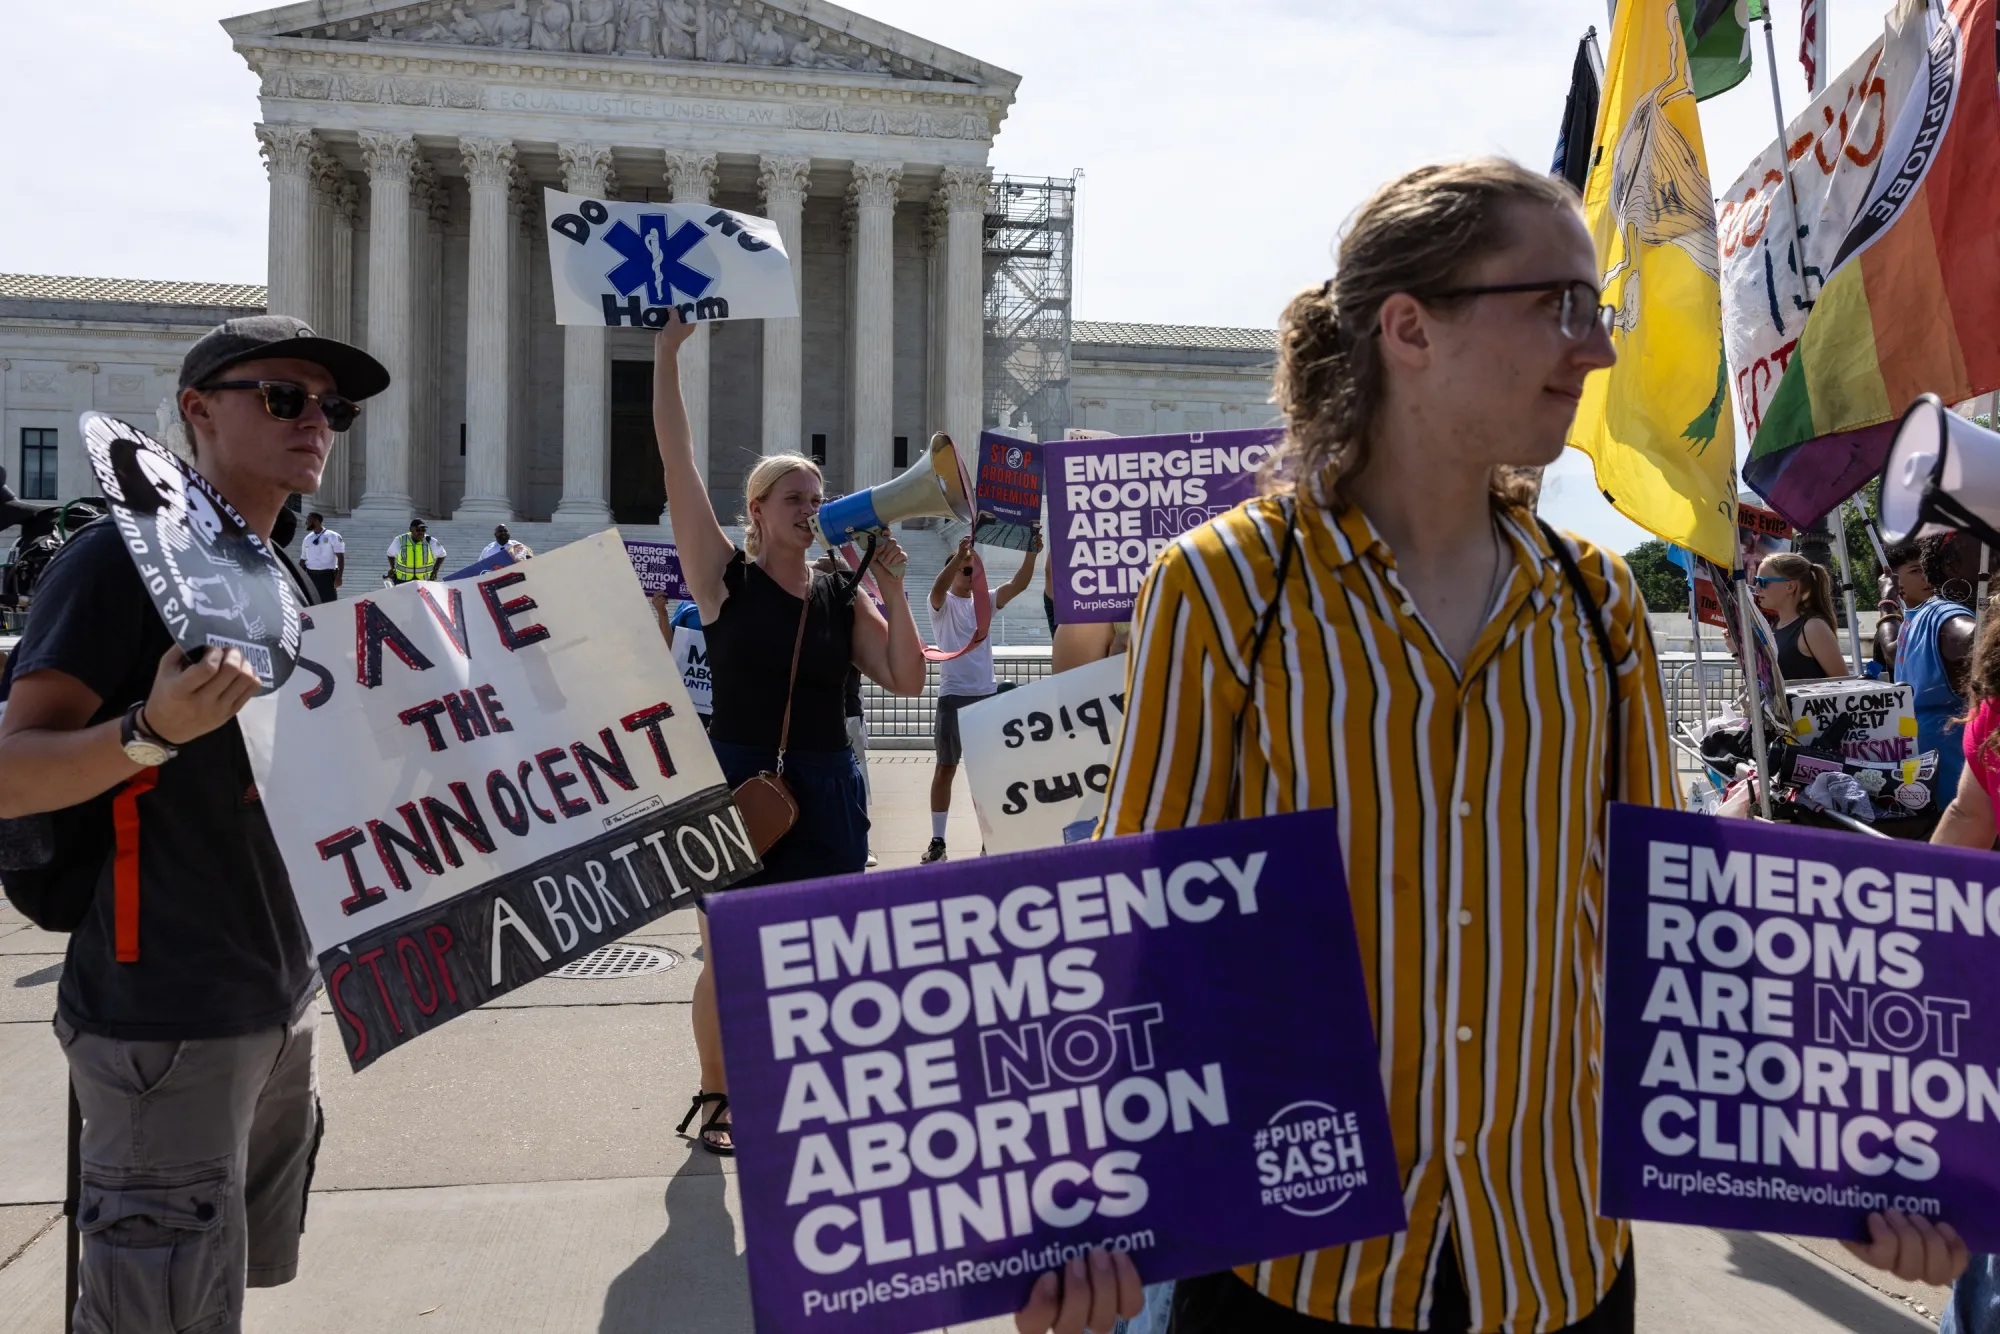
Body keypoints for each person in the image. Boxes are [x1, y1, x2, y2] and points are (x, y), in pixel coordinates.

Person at [1024, 158, 1963, 1334]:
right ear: (1408, 327)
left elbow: (1670, 927)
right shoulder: (1225, 588)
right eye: (1559, 305)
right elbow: (1134, 922)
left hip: (1558, 1263)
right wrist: (1080, 1205)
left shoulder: (1595, 603)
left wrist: (1845, 1163)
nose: (1595, 350)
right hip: (1304, 1272)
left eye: (1596, 309)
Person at [0, 314, 389, 1334]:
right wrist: (146, 731)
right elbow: (10, 772)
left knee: (208, 1294)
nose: (316, 421)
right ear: (195, 411)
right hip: (161, 1016)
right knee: (153, 1309)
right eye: (283, 396)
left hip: (272, 998)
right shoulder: (116, 562)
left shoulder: (276, 573)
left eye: (332, 406)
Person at [651, 311, 924, 1155]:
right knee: (727, 957)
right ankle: (718, 1097)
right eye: (794, 498)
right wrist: (666, 356)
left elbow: (907, 678)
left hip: (828, 786)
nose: (812, 507)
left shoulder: (846, 593)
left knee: (825, 960)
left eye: (818, 495)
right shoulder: (720, 579)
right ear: (758, 511)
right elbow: (677, 465)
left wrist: (896, 590)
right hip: (736, 784)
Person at [922, 529, 1040, 863]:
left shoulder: (985, 601)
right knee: (945, 769)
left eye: (973, 567)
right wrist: (959, 557)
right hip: (953, 696)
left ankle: (990, 841)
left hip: (985, 698)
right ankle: (937, 841)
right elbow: (936, 589)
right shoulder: (942, 605)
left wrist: (1032, 551)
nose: (971, 572)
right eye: (965, 568)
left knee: (984, 777)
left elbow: (1018, 584)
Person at [1898, 532, 1982, 811]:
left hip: (1927, 757)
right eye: (1990, 553)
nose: (1996, 561)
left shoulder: (1918, 614)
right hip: (1954, 765)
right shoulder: (1951, 618)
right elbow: (1973, 641)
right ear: (1951, 566)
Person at [1753, 551, 1848, 680]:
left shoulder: (1813, 627)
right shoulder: (1774, 625)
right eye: (1756, 580)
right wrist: (1735, 649)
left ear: (1790, 586)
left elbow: (1843, 683)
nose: (1757, 588)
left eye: (1763, 582)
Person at [300, 510, 345, 601]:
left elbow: (340, 557)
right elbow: (303, 559)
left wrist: (339, 577)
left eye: (308, 520)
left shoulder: (333, 536)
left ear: (316, 521)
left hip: (327, 577)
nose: (306, 522)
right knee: (311, 603)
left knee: (329, 604)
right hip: (311, 577)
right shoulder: (307, 538)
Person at [386, 517, 444, 583]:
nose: (421, 533)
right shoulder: (400, 540)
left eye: (423, 530)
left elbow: (442, 554)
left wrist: (435, 571)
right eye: (418, 530)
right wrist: (392, 568)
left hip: (424, 581)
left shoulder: (431, 541)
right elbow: (390, 554)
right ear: (411, 530)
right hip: (402, 580)